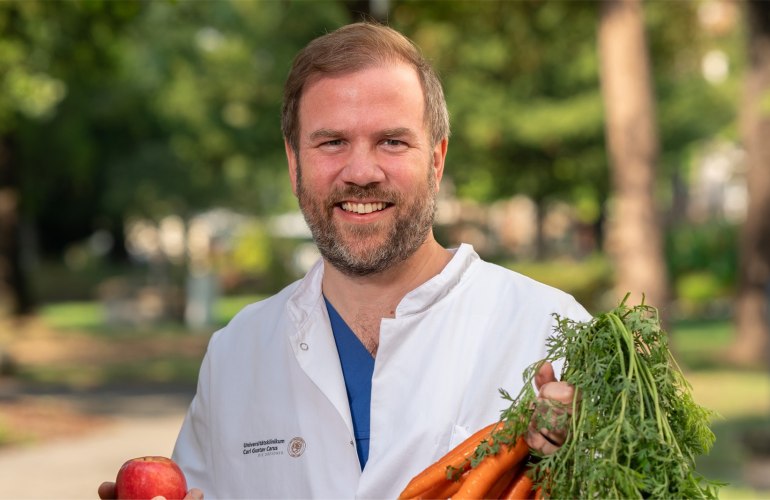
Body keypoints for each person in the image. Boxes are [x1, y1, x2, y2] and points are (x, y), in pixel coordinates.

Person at [99, 21, 590, 499]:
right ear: (295, 165)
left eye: (392, 141)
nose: (360, 173)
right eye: (332, 142)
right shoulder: (236, 355)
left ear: (437, 160)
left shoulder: (549, 330)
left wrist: (587, 462)